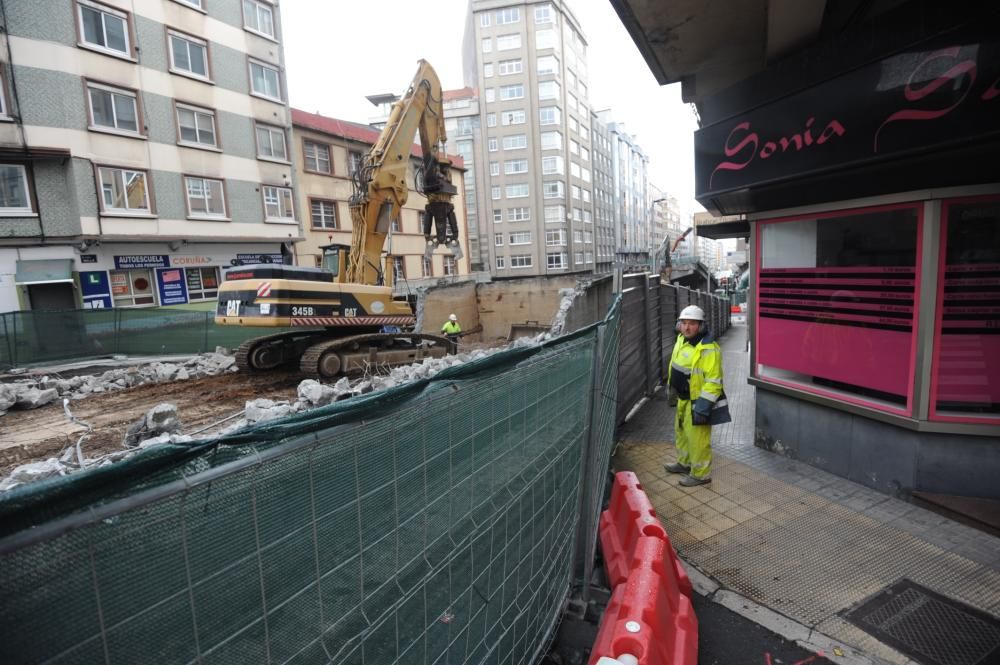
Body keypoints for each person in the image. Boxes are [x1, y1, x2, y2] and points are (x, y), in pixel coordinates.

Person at [664, 305, 730, 487]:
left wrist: (703, 405)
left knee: (698, 440)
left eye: (692, 324)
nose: (686, 328)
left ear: (700, 326)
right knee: (682, 433)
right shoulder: (681, 340)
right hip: (683, 399)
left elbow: (714, 381)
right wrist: (672, 387)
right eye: (683, 323)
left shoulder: (709, 349)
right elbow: (675, 365)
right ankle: (684, 464)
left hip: (697, 402)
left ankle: (701, 474)